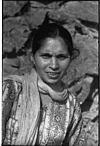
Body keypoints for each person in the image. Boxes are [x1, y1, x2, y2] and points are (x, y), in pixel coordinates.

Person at [2, 21, 87, 146]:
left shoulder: (71, 105)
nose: (54, 65)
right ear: (33, 57)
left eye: (61, 57)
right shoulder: (11, 90)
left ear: (70, 58)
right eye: (46, 56)